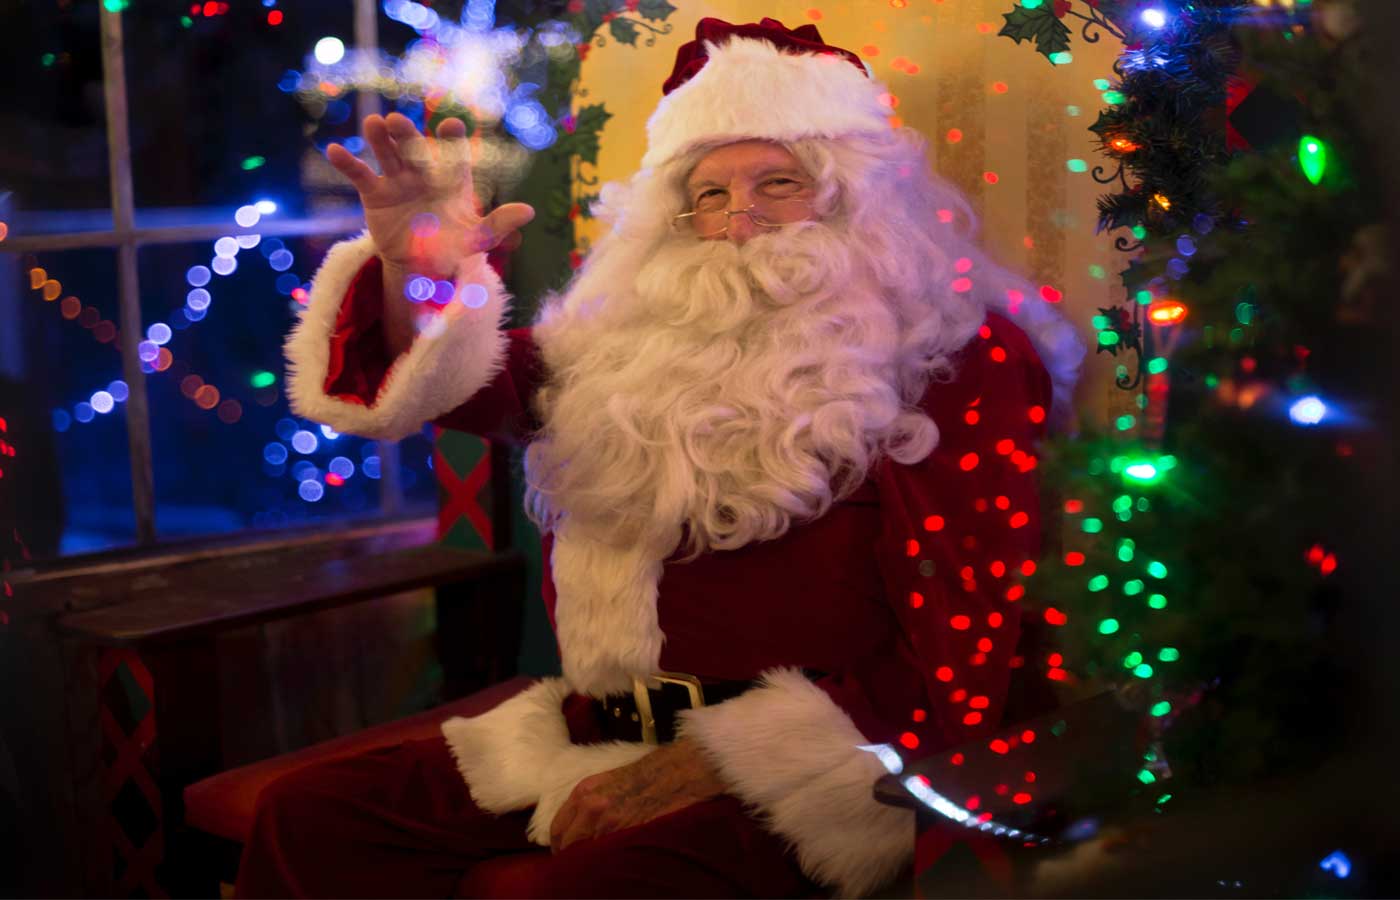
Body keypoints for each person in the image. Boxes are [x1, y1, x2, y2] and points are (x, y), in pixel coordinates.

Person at [241, 17, 1084, 899]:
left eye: (778, 183)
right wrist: (411, 268)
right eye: (708, 193)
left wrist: (718, 766)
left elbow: (963, 633)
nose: (737, 219)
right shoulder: (617, 346)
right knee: (309, 819)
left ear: (853, 198)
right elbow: (444, 383)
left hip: (820, 769)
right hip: (588, 731)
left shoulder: (956, 356)